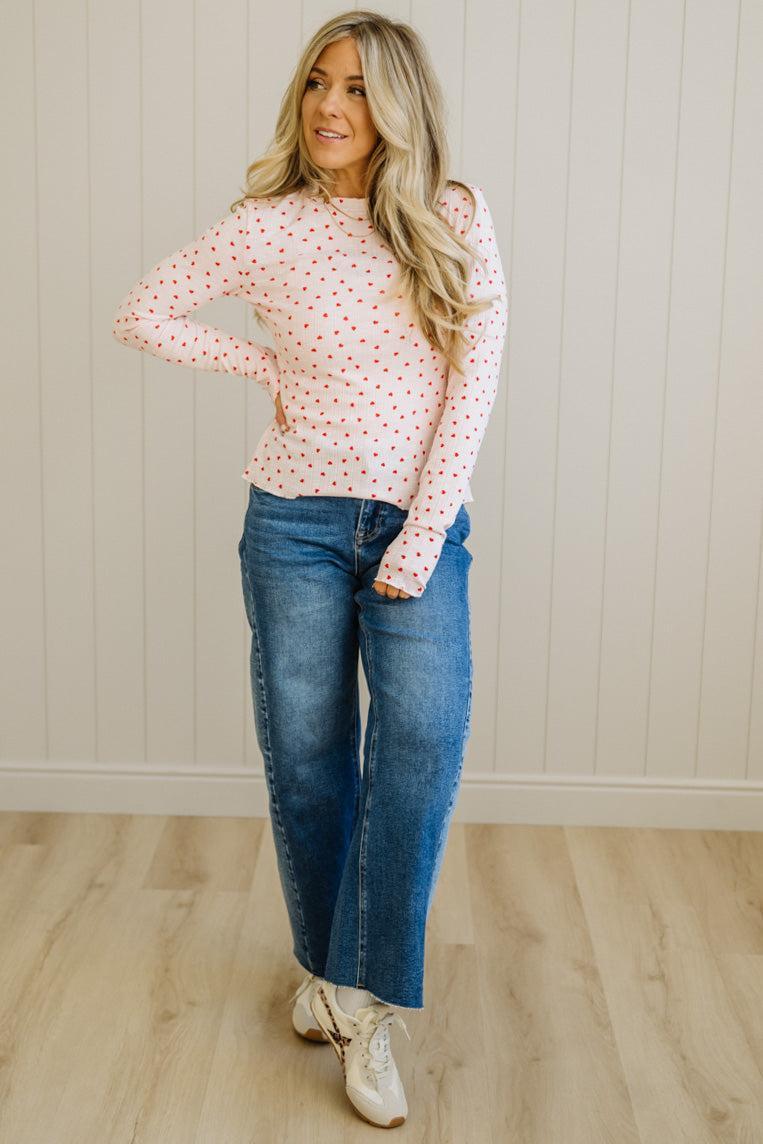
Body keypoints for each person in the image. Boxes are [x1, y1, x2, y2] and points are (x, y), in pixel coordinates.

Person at [112, 9, 508, 1130]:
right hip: (289, 519)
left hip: (414, 522)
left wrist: (421, 537)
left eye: (356, 88)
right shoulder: (265, 226)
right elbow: (141, 312)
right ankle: (351, 992)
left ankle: (351, 984)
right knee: (309, 755)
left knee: (420, 745)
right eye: (317, 84)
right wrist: (263, 362)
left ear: (399, 104)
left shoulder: (455, 215)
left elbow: (471, 384)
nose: (330, 107)